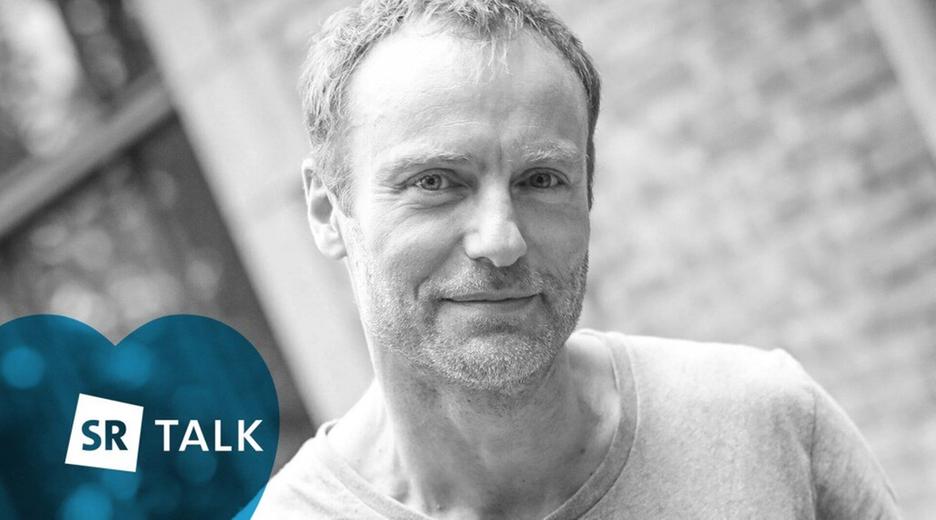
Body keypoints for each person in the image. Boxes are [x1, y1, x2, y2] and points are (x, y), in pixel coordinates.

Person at [253, 0, 900, 518]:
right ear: (327, 211)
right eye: (435, 183)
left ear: (588, 192)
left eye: (541, 180)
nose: (501, 240)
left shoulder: (767, 424)